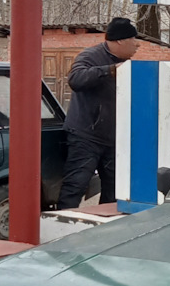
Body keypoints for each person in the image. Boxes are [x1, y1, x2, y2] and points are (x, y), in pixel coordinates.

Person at [56, 17, 140, 209]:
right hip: (86, 136)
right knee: (75, 185)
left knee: (114, 189)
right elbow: (75, 79)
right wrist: (109, 71)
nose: (138, 44)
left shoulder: (129, 64)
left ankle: (107, 229)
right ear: (120, 40)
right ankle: (63, 226)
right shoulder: (90, 56)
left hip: (114, 139)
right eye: (133, 39)